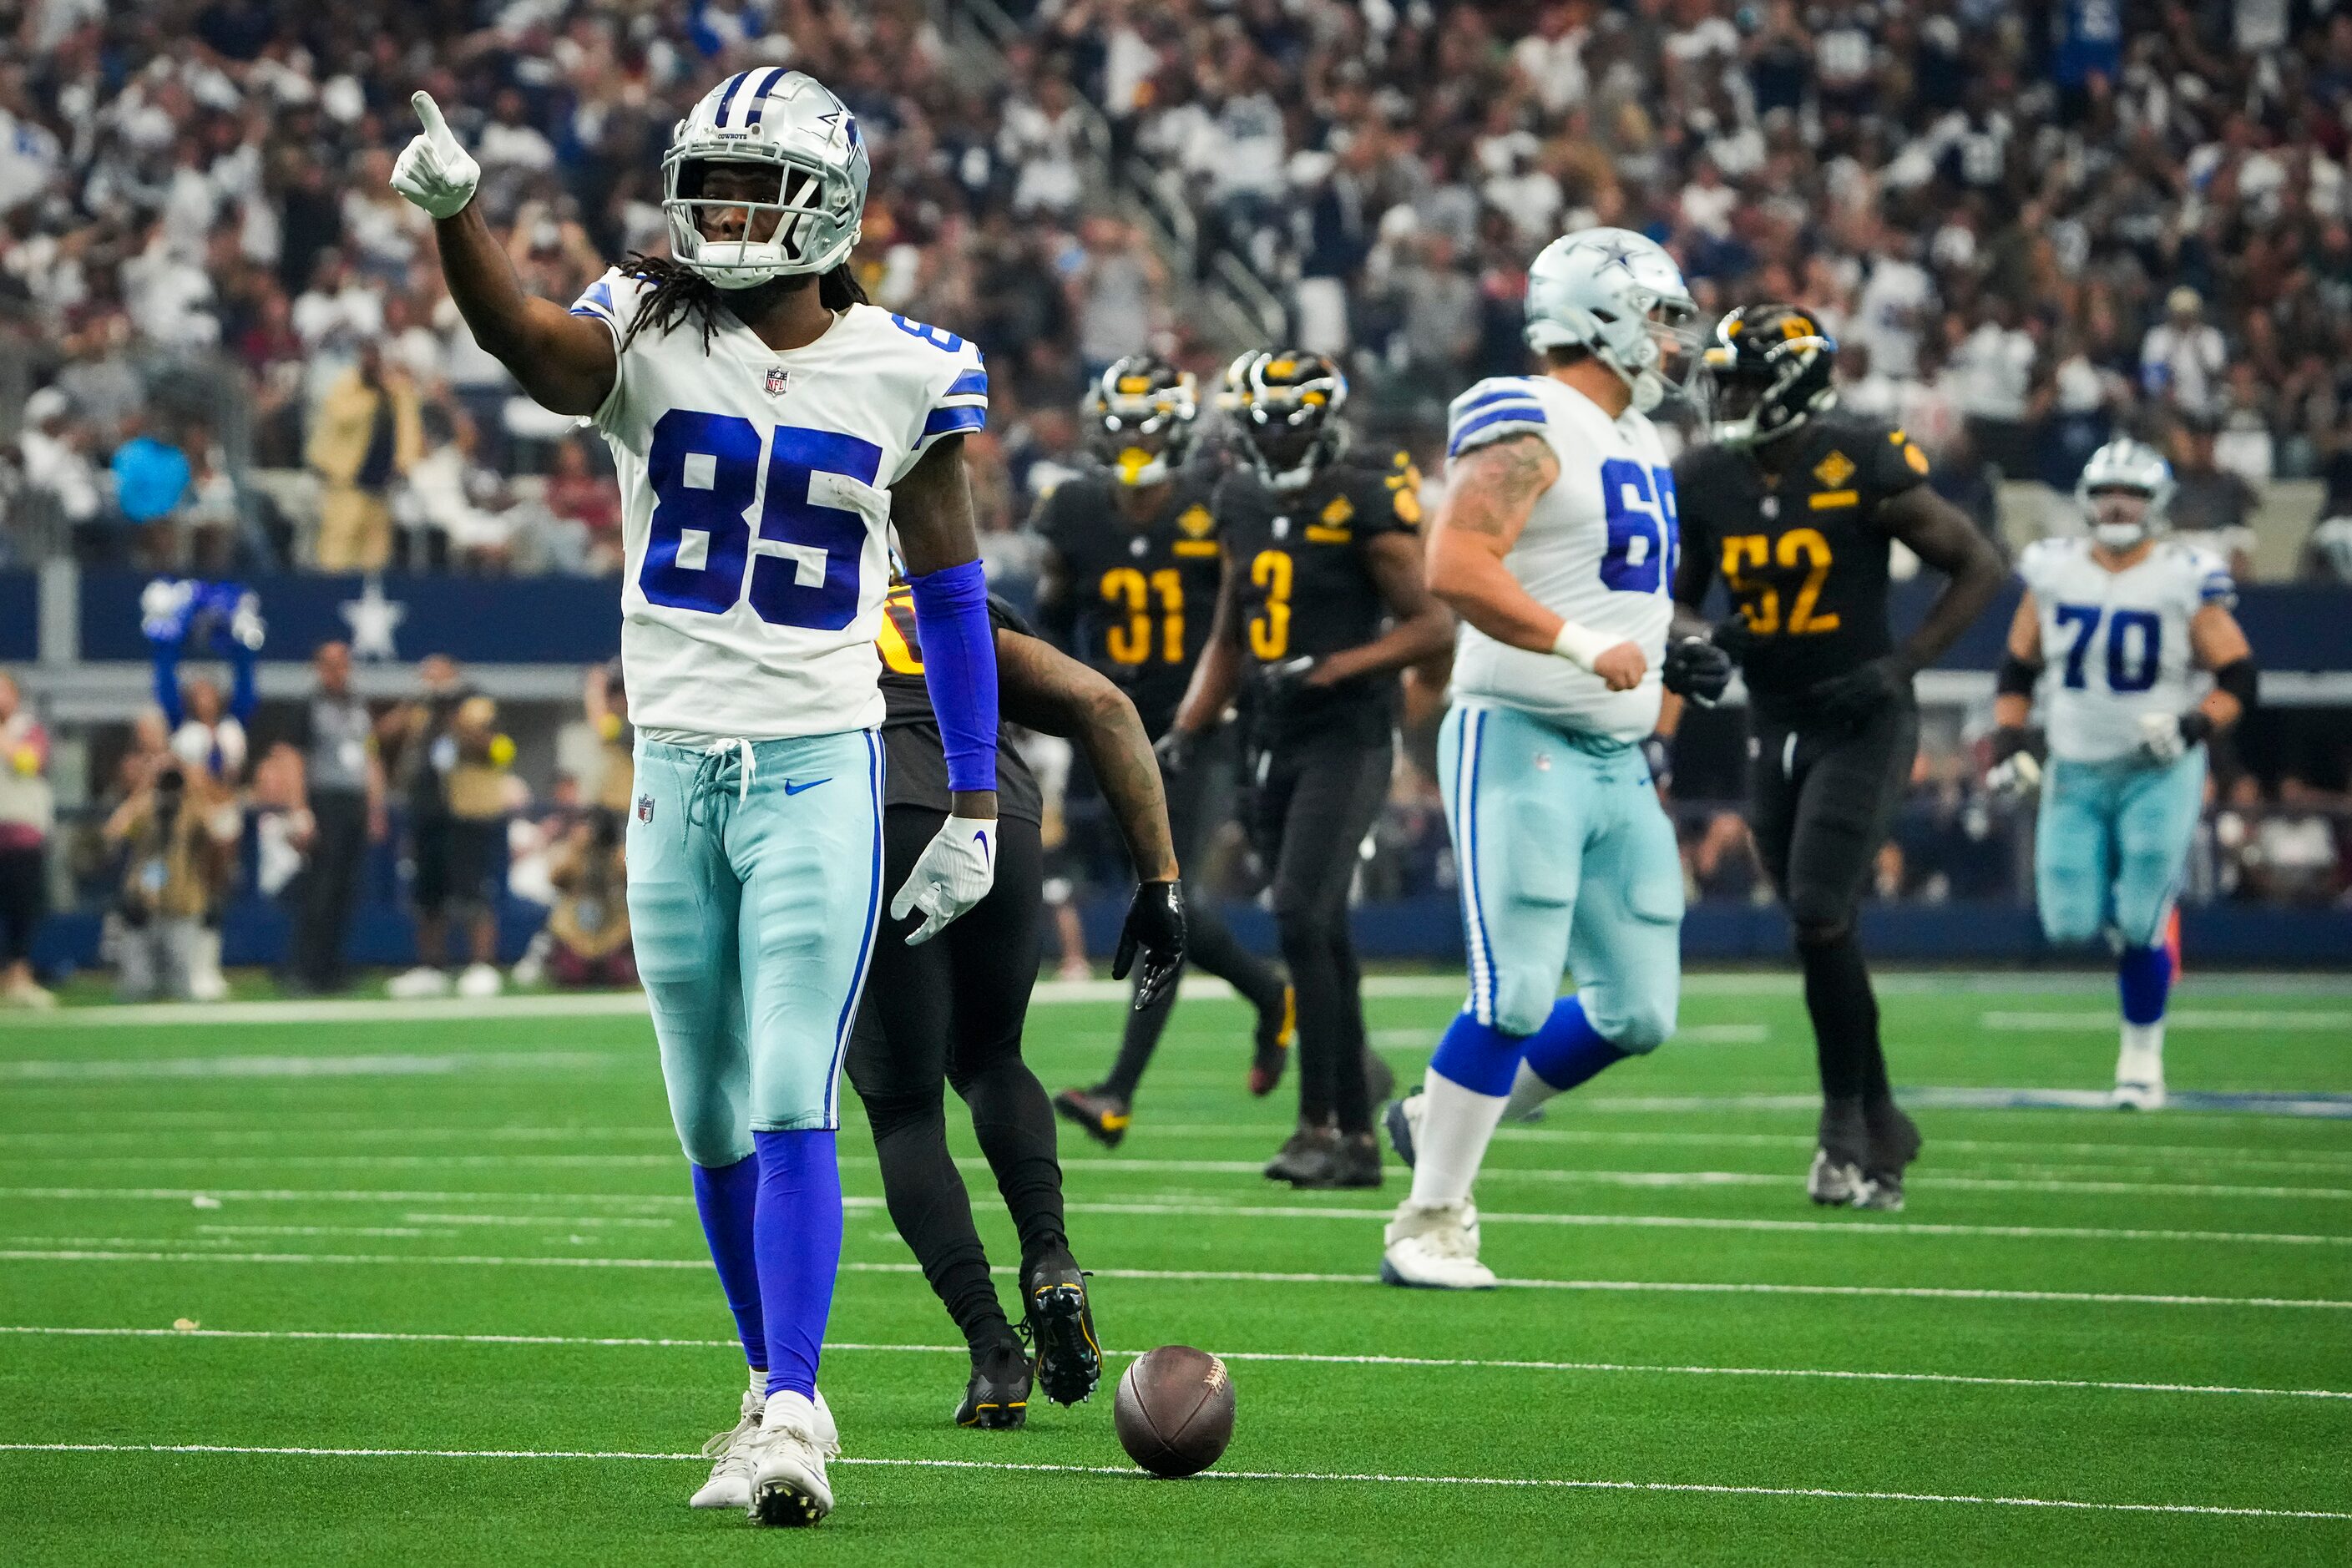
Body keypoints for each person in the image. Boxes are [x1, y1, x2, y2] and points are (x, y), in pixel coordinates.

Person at [395, 69, 1001, 1527]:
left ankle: (796, 1404)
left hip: (814, 763)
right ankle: (766, 1382)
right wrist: (461, 222)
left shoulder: (910, 366)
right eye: (709, 183)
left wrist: (972, 800)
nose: (722, 213)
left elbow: (957, 592)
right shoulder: (645, 318)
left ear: (830, 204)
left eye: (753, 188)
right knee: (707, 1111)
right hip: (671, 770)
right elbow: (536, 350)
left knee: (795, 1082)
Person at [1377, 231, 1725, 1289]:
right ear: (1603, 315)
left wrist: (1675, 656)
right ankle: (1428, 1221)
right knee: (1514, 992)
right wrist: (1582, 647)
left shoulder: (1639, 443)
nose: (1673, 341)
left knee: (1639, 1011)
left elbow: (1608, 592)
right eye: (1660, 317)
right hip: (1519, 732)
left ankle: (1443, 1112)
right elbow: (1455, 563)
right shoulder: (1527, 413)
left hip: (1616, 756)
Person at [1673, 305, 2006, 1210]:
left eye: (1745, 379)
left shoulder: (1859, 460)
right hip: (1774, 717)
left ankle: (1842, 1126)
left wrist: (1899, 666)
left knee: (1821, 912)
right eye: (1725, 378)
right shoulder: (1705, 477)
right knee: (1818, 930)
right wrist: (1699, 639)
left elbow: (1977, 562)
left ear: (1793, 387)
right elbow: (1673, 599)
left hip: (1862, 715)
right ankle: (1882, 1122)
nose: (1728, 395)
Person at [842, 580, 1183, 1436]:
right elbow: (1103, 703)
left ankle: (995, 1349)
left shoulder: (796, 589)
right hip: (996, 811)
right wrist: (1161, 882)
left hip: (872, 809)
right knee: (993, 1057)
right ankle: (1050, 1253)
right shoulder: (949, 598)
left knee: (903, 1105)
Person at [1161, 350, 1454, 1191]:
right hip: (1267, 732)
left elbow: (1433, 626)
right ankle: (1351, 1129)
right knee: (1318, 928)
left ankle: (1323, 1120)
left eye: (1286, 428)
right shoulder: (1239, 496)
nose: (1271, 443)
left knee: (1298, 910)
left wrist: (1342, 666)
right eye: (1259, 426)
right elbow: (1229, 629)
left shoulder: (1363, 493)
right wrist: (1188, 724)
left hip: (1347, 733)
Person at [1034, 355, 1293, 1147]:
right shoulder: (1074, 508)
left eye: (1145, 426)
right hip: (1111, 726)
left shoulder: (1215, 503)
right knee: (1170, 901)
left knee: (1168, 896)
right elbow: (1052, 614)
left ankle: (1117, 1091)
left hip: (1198, 728)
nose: (1131, 442)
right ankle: (1269, 996)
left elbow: (1241, 620)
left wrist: (1213, 711)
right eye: (1118, 426)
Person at [1989, 439, 2258, 1110]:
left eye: (2131, 493)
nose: (2117, 504)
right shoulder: (2052, 571)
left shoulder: (2182, 574)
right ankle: (2137, 914)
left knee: (2139, 919)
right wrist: (2009, 745)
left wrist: (2192, 725)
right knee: (2068, 924)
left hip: (2155, 770)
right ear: (2084, 499)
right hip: (2074, 769)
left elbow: (2239, 677)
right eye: (2107, 491)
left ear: (2155, 505)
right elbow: (2017, 665)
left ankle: (2140, 1058)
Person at [382, 655, 508, 999]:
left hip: (466, 809)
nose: (430, 681)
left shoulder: (475, 704)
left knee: (472, 888)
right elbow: (383, 740)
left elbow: (498, 750)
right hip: (426, 809)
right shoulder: (420, 709)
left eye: (436, 675)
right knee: (428, 891)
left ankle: (482, 964)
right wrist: (410, 708)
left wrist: (456, 718)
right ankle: (431, 966)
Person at [281, 640, 384, 994]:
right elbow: (293, 759)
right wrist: (299, 810)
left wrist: (374, 807)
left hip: (354, 802)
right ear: (319, 667)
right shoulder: (308, 705)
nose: (338, 671)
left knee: (346, 890)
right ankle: (304, 969)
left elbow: (370, 757)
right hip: (324, 800)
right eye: (330, 664)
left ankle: (332, 966)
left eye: (343, 663)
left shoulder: (358, 705)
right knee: (320, 889)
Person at [306, 339, 423, 573]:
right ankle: (333, 593)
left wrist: (404, 463)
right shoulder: (348, 386)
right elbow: (339, 415)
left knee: (376, 553)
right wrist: (371, 397)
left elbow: (409, 428)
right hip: (347, 483)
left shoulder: (395, 392)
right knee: (338, 546)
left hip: (382, 485)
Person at [0, 671, 55, 1008]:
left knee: (21, 911)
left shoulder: (29, 729)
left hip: (21, 836)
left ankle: (20, 977)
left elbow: (28, 763)